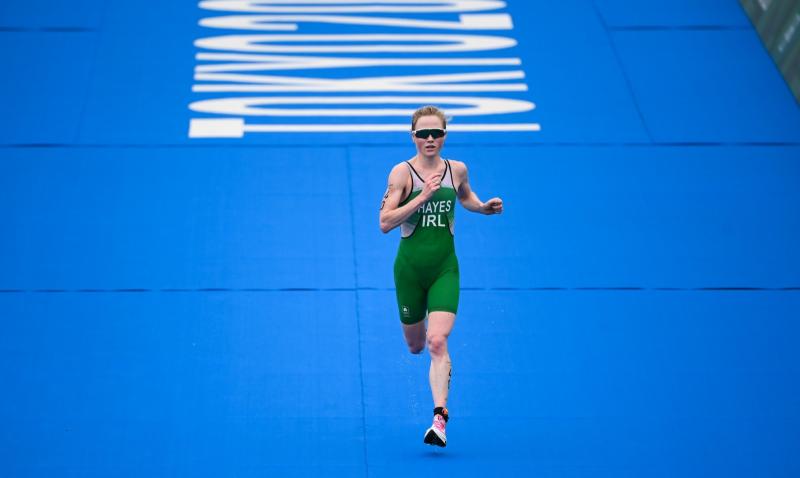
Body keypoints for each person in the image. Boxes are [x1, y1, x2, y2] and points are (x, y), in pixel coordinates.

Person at [378, 105, 503, 447]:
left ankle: (440, 418)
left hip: (445, 269)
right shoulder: (402, 174)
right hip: (409, 272)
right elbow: (385, 223)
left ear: (445, 135)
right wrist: (424, 197)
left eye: (436, 133)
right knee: (416, 346)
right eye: (423, 134)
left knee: (436, 341)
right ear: (413, 136)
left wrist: (482, 208)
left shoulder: (457, 169)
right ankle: (436, 400)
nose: (430, 139)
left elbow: (465, 197)